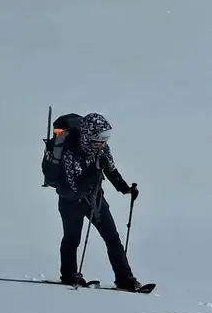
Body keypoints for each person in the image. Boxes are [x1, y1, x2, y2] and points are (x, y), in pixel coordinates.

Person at [46, 113, 144, 290]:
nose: (102, 143)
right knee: (72, 238)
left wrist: (125, 188)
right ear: (87, 135)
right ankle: (69, 275)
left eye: (105, 138)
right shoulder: (71, 150)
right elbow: (74, 184)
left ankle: (125, 279)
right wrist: (94, 168)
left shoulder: (102, 149)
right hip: (71, 201)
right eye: (98, 139)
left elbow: (111, 170)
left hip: (95, 199)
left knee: (112, 238)